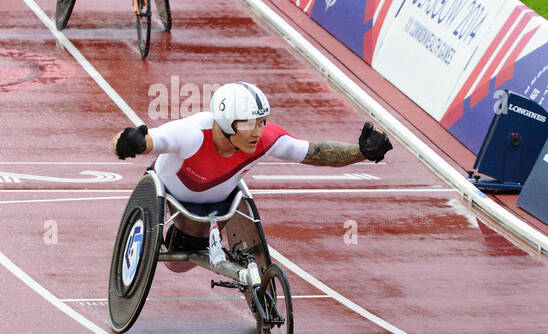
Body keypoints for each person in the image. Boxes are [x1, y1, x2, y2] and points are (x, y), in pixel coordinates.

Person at [113, 82, 393, 270]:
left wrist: (362, 152)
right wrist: (130, 141)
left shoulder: (265, 139)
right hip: (169, 195)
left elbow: (316, 152)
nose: (257, 131)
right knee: (174, 262)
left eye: (262, 121)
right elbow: (150, 140)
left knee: (180, 264)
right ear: (225, 122)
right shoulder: (193, 133)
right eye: (248, 123)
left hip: (217, 207)